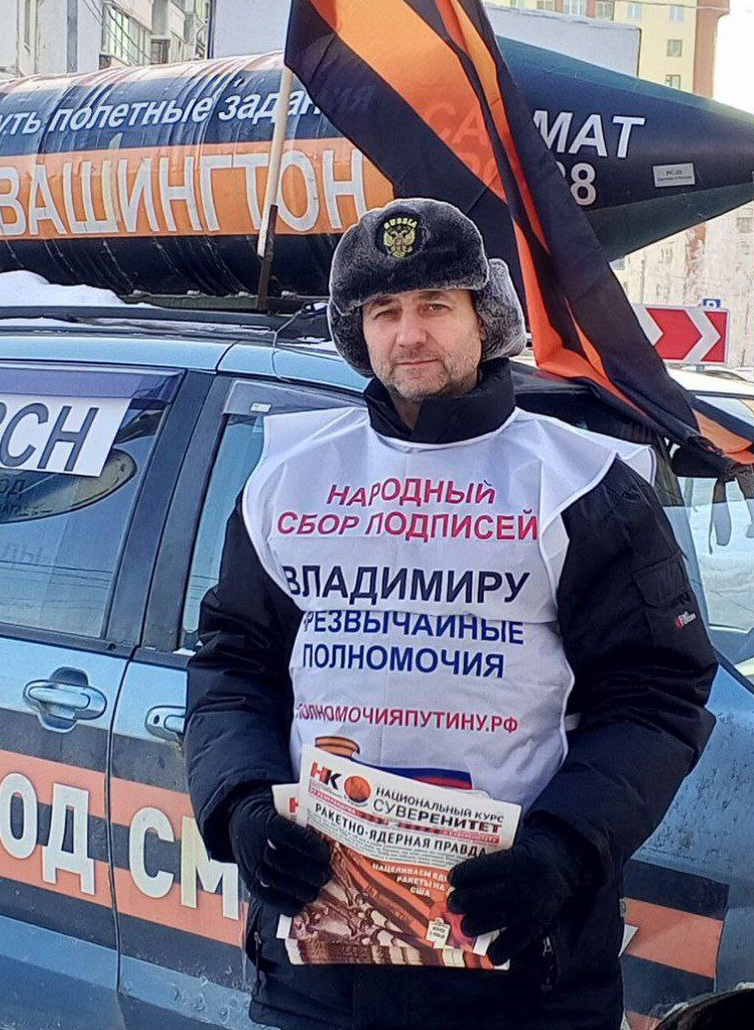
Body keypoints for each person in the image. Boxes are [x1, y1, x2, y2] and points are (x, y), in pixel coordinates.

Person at [185, 198, 717, 1030]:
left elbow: (655, 695)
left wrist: (562, 849)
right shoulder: (289, 477)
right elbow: (234, 665)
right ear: (356, 330)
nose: (409, 335)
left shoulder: (580, 484)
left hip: (522, 960)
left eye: (435, 305)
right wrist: (243, 803)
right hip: (321, 968)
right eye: (384, 311)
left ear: (484, 317)